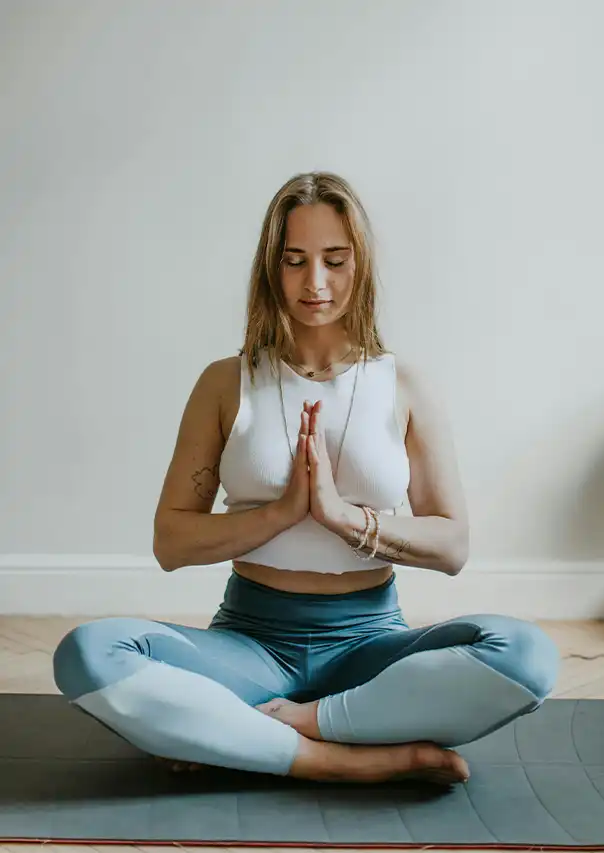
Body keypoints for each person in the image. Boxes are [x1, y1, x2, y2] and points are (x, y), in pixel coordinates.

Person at [53, 171, 559, 786]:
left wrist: (341, 517)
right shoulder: (225, 382)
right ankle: (343, 758)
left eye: (334, 260)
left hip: (372, 648)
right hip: (250, 645)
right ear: (272, 268)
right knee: (88, 653)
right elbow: (171, 543)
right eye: (294, 261)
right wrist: (281, 511)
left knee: (526, 655)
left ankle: (267, 728)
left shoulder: (403, 386)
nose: (314, 283)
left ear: (361, 265)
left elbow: (453, 547)